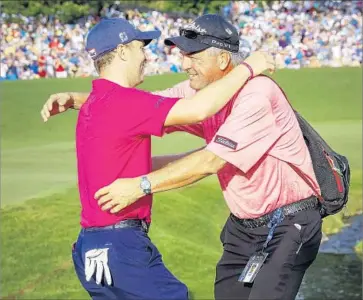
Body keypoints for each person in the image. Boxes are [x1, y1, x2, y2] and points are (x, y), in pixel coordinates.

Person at [41, 16, 275, 300]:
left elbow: (132, 159)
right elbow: (200, 108)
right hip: (122, 247)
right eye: (141, 47)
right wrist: (250, 67)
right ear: (124, 51)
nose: (146, 57)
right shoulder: (124, 102)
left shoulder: (95, 104)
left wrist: (216, 154)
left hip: (91, 247)